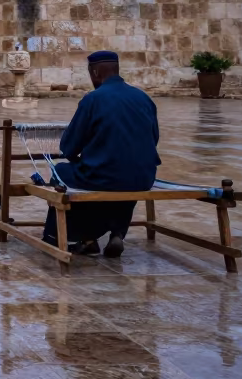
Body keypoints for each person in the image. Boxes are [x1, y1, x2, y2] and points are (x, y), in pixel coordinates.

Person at [41, 50, 160, 258]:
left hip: (105, 175)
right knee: (125, 174)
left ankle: (86, 238)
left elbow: (69, 148)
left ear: (95, 72)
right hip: (144, 177)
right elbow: (154, 139)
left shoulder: (93, 100)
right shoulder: (144, 98)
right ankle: (117, 232)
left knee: (62, 172)